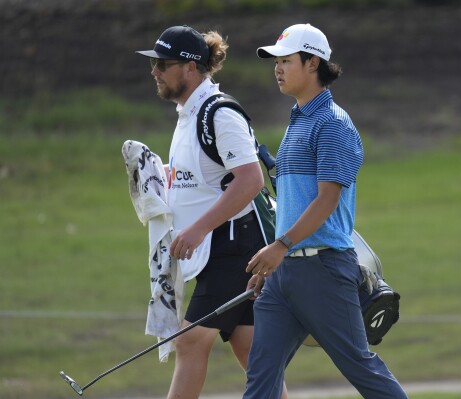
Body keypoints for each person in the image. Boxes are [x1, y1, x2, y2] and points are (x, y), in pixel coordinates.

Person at [244, 23, 409, 399]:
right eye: (276, 61)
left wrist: (280, 246)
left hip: (323, 269)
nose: (278, 68)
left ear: (313, 62)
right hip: (285, 273)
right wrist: (275, 261)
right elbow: (295, 202)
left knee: (361, 368)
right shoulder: (297, 121)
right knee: (260, 376)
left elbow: (327, 200)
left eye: (286, 60)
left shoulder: (333, 124)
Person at [136, 25, 287, 399]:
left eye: (162, 63)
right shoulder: (188, 114)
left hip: (235, 248)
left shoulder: (218, 114)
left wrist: (198, 229)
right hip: (218, 251)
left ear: (189, 67)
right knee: (252, 353)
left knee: (190, 343)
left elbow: (250, 180)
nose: (154, 70)